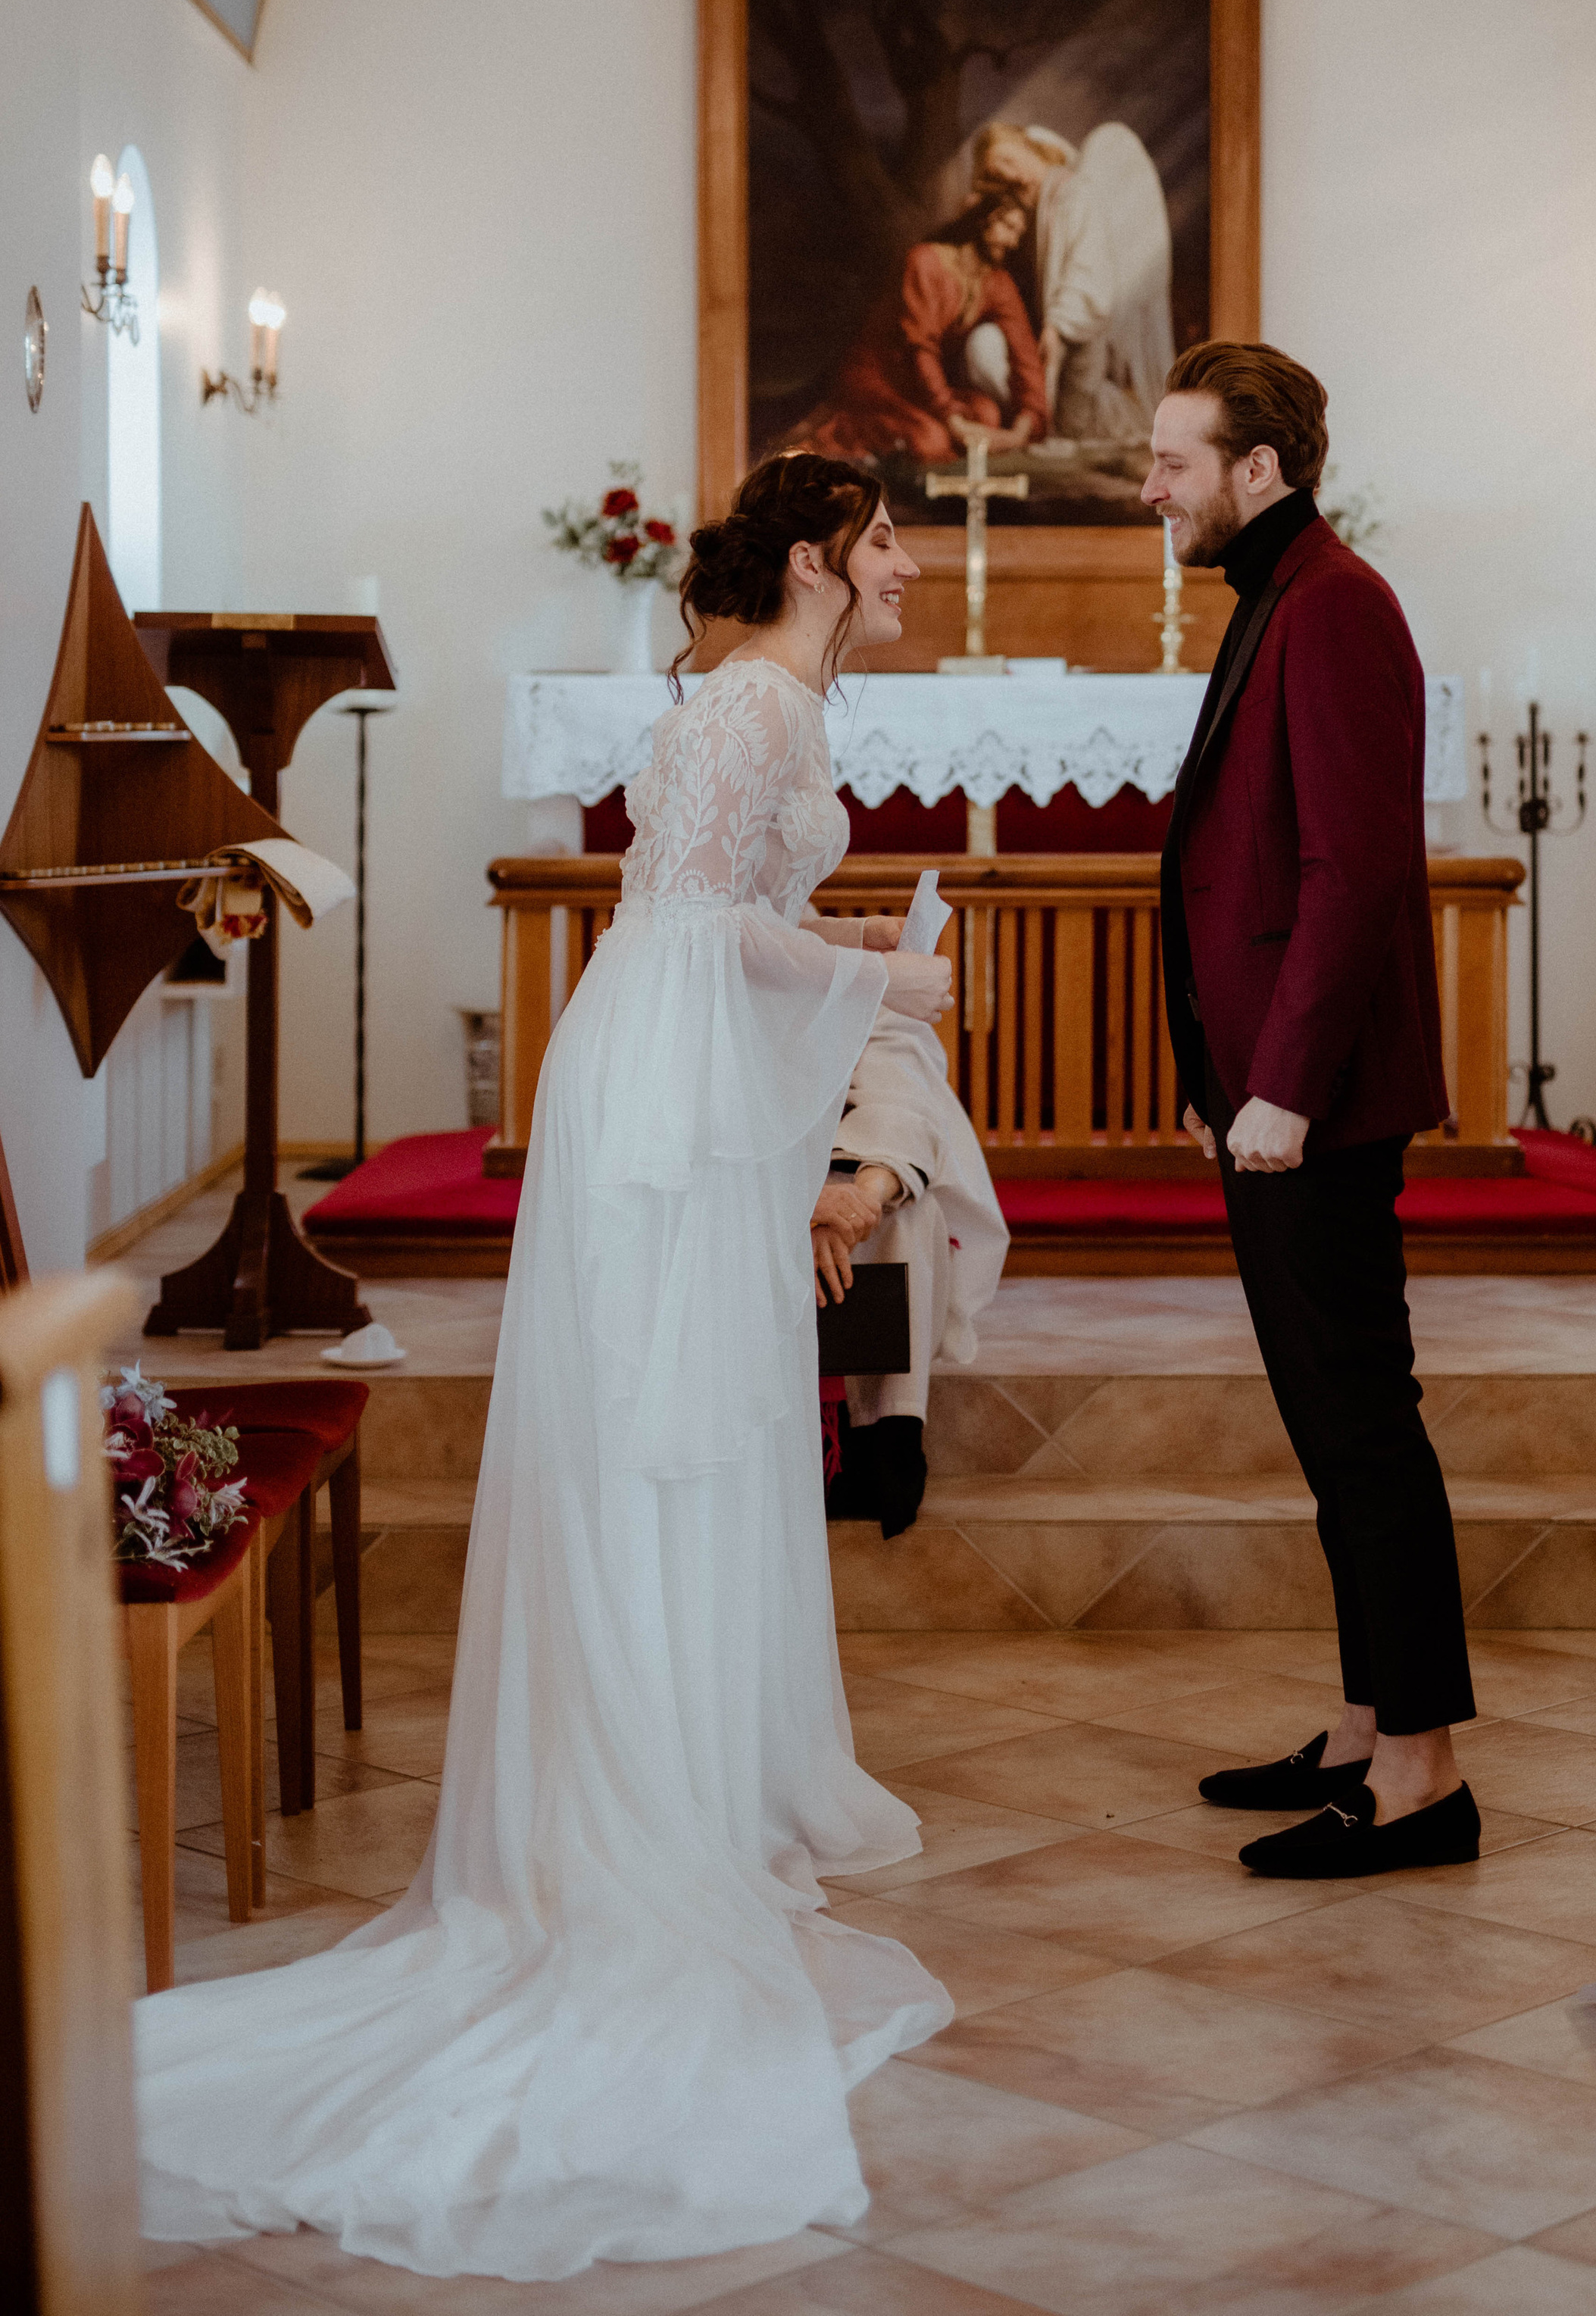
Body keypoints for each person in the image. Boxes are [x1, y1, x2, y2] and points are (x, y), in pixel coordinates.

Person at [136, 455, 959, 2282]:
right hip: (655, 1102)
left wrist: (829, 1008)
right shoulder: (753, 702)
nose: (911, 567)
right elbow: (689, 924)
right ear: (821, 560)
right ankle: (633, 1812)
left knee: (684, 1434)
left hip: (662, 1086)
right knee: (662, 1436)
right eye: (890, 540)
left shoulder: (764, 699)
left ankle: (679, 1768)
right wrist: (877, 982)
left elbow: (696, 931)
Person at [1142, 340, 1480, 1878]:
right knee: (1327, 1421)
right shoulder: (1281, 593)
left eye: (1170, 460)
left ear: (1253, 471)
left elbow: (1352, 873)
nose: (1148, 486)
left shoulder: (1336, 608)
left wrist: (1278, 1084)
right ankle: (1361, 1728)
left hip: (1316, 1103)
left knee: (1363, 1426)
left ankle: (1421, 1779)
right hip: (1270, 1091)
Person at [810, 993, 1010, 1537]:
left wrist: (855, 1202)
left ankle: (881, 1439)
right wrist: (793, 1200)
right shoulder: (705, 988)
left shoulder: (862, 992)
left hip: (846, 1164)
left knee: (908, 1213)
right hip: (737, 1181)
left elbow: (905, 1112)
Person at [798, 193, 1045, 466]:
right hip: (877, 379)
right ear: (982, 221)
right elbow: (920, 348)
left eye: (1019, 233)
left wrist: (1022, 429)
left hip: (923, 388)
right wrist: (950, 418)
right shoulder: (925, 261)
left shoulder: (997, 282)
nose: (1013, 242)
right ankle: (846, 431)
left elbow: (1026, 356)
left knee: (986, 414)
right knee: (932, 442)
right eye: (1008, 228)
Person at [973, 120, 1173, 442]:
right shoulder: (1034, 204)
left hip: (1079, 331)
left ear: (1028, 148)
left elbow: (1088, 269)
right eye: (999, 174)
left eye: (1009, 161)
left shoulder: (1075, 193)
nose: (1009, 176)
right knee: (984, 350)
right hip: (1056, 329)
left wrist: (1057, 326)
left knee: (1073, 419)